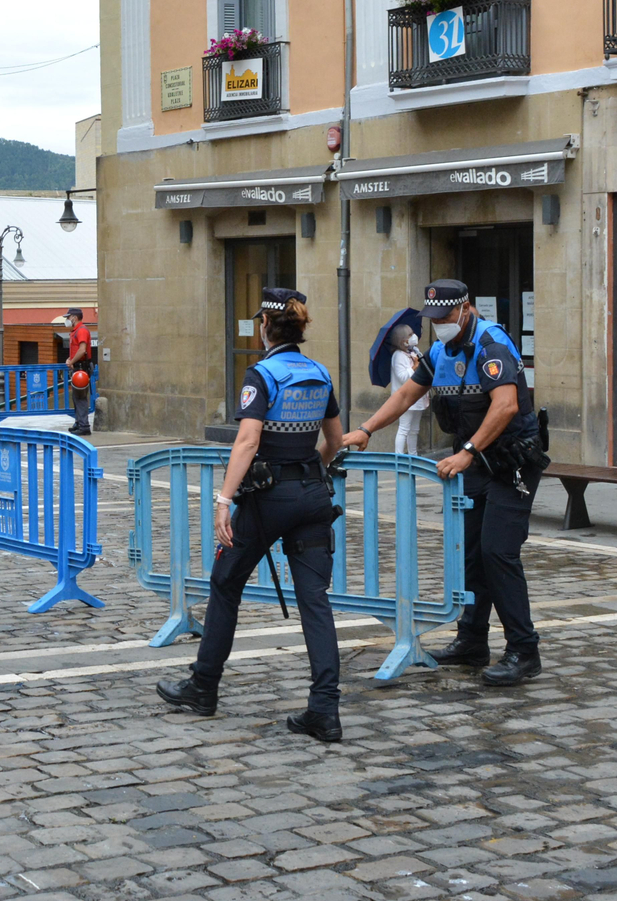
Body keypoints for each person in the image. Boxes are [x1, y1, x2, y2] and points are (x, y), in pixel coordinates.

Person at [155, 289, 346, 742]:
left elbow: (246, 442)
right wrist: (310, 469)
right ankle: (324, 709)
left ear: (265, 326)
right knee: (315, 602)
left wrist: (224, 500)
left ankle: (203, 687)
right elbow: (335, 441)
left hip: (268, 499)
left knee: (225, 585)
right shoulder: (319, 374)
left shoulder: (261, 374)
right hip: (314, 495)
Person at [342, 278, 547, 687]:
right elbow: (403, 396)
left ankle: (525, 650)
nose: (440, 324)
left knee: (498, 553)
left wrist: (467, 450)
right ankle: (472, 641)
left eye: (447, 316)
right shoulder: (439, 350)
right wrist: (366, 429)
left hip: (511, 463)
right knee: (470, 554)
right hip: (476, 465)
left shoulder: (493, 345)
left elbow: (505, 405)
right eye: (433, 318)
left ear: (466, 308)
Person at [389, 322, 429, 455]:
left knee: (414, 430)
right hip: (405, 398)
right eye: (410, 335)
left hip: (417, 398)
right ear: (402, 340)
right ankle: (399, 457)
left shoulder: (414, 352)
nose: (414, 336)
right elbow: (403, 377)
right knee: (404, 428)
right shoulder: (398, 356)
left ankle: (413, 455)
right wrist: (415, 366)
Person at [63, 306, 94, 436]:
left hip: (82, 368)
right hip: (78, 367)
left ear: (74, 318)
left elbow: (82, 350)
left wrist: (72, 361)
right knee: (76, 397)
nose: (67, 320)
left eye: (68, 317)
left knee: (80, 397)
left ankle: (84, 425)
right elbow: (77, 351)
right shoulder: (77, 330)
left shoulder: (81, 330)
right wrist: (70, 359)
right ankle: (79, 422)